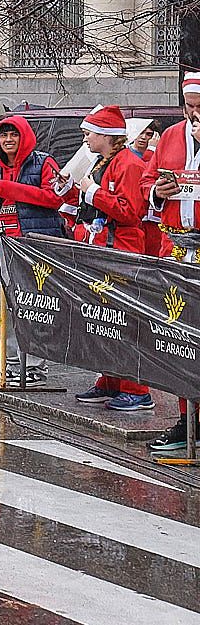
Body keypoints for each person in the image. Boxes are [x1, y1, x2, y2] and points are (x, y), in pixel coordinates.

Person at [66, 105, 155, 412]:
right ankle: (111, 380)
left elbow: (130, 212)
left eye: (89, 133)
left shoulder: (128, 164)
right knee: (105, 320)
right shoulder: (103, 161)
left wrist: (92, 193)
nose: (85, 138)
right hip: (104, 249)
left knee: (126, 319)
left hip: (123, 251)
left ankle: (137, 388)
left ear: (106, 135)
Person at [0, 114, 65, 387]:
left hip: (33, 248)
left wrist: (7, 187)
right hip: (2, 247)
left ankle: (35, 367)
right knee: (5, 309)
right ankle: (12, 362)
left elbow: (53, 197)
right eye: (3, 136)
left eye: (13, 135)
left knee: (34, 308)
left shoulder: (43, 162)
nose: (8, 140)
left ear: (23, 136)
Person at [148, 73, 200, 457]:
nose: (194, 114)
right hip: (175, 249)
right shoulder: (169, 137)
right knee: (179, 338)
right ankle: (187, 418)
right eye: (189, 107)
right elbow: (146, 182)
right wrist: (156, 192)